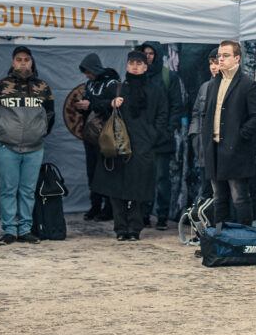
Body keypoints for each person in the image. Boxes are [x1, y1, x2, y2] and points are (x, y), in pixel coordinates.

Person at [92, 50, 167, 241]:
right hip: (117, 146)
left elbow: (162, 114)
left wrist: (152, 136)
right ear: (126, 65)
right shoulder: (117, 88)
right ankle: (120, 228)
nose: (134, 66)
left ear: (145, 66)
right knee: (116, 189)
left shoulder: (155, 89)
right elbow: (95, 104)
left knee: (139, 189)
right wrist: (111, 103)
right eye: (131, 62)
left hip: (143, 146)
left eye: (138, 63)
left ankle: (135, 228)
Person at [0, 46, 55, 245]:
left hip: (35, 148)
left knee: (27, 190)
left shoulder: (42, 87)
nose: (23, 63)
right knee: (8, 189)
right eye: (19, 59)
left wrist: (39, 132)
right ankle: (9, 230)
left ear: (31, 62)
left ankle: (25, 229)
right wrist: (4, 130)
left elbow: (50, 115)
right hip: (7, 147)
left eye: (26, 59)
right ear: (12, 62)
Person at [203, 41, 256, 226]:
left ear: (237, 58)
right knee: (218, 198)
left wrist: (239, 136)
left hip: (236, 151)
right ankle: (220, 239)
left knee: (239, 198)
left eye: (226, 55)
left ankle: (245, 238)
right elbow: (207, 113)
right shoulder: (214, 83)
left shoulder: (248, 84)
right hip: (214, 149)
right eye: (219, 56)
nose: (221, 59)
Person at [140, 41, 184, 230]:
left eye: (151, 53)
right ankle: (144, 214)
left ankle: (162, 216)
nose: (148, 56)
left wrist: (168, 131)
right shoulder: (139, 77)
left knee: (161, 179)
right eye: (145, 53)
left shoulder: (168, 77)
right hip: (142, 139)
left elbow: (176, 106)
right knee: (144, 178)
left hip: (162, 138)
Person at [77, 52, 120, 221]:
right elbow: (89, 106)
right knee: (92, 171)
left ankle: (109, 208)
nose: (87, 75)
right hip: (92, 136)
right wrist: (82, 107)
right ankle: (95, 206)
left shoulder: (112, 83)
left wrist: (92, 104)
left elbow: (116, 105)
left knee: (107, 171)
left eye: (88, 71)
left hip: (108, 134)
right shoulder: (89, 84)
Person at [188, 49, 220, 199]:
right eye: (211, 63)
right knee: (207, 190)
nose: (213, 67)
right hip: (204, 148)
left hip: (222, 149)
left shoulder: (233, 86)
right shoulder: (204, 87)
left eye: (217, 62)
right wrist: (195, 137)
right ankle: (208, 221)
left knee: (224, 190)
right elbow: (195, 113)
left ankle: (224, 222)